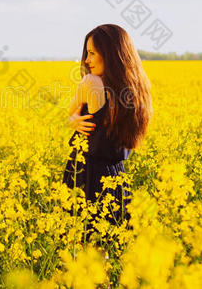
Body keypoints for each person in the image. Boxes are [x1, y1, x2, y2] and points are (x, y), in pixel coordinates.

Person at [62, 24, 153, 243]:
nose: (87, 60)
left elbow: (71, 112)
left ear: (111, 54)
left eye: (92, 53)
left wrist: (72, 120)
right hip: (115, 177)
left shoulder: (90, 83)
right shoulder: (138, 89)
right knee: (104, 251)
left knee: (82, 251)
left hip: (86, 173)